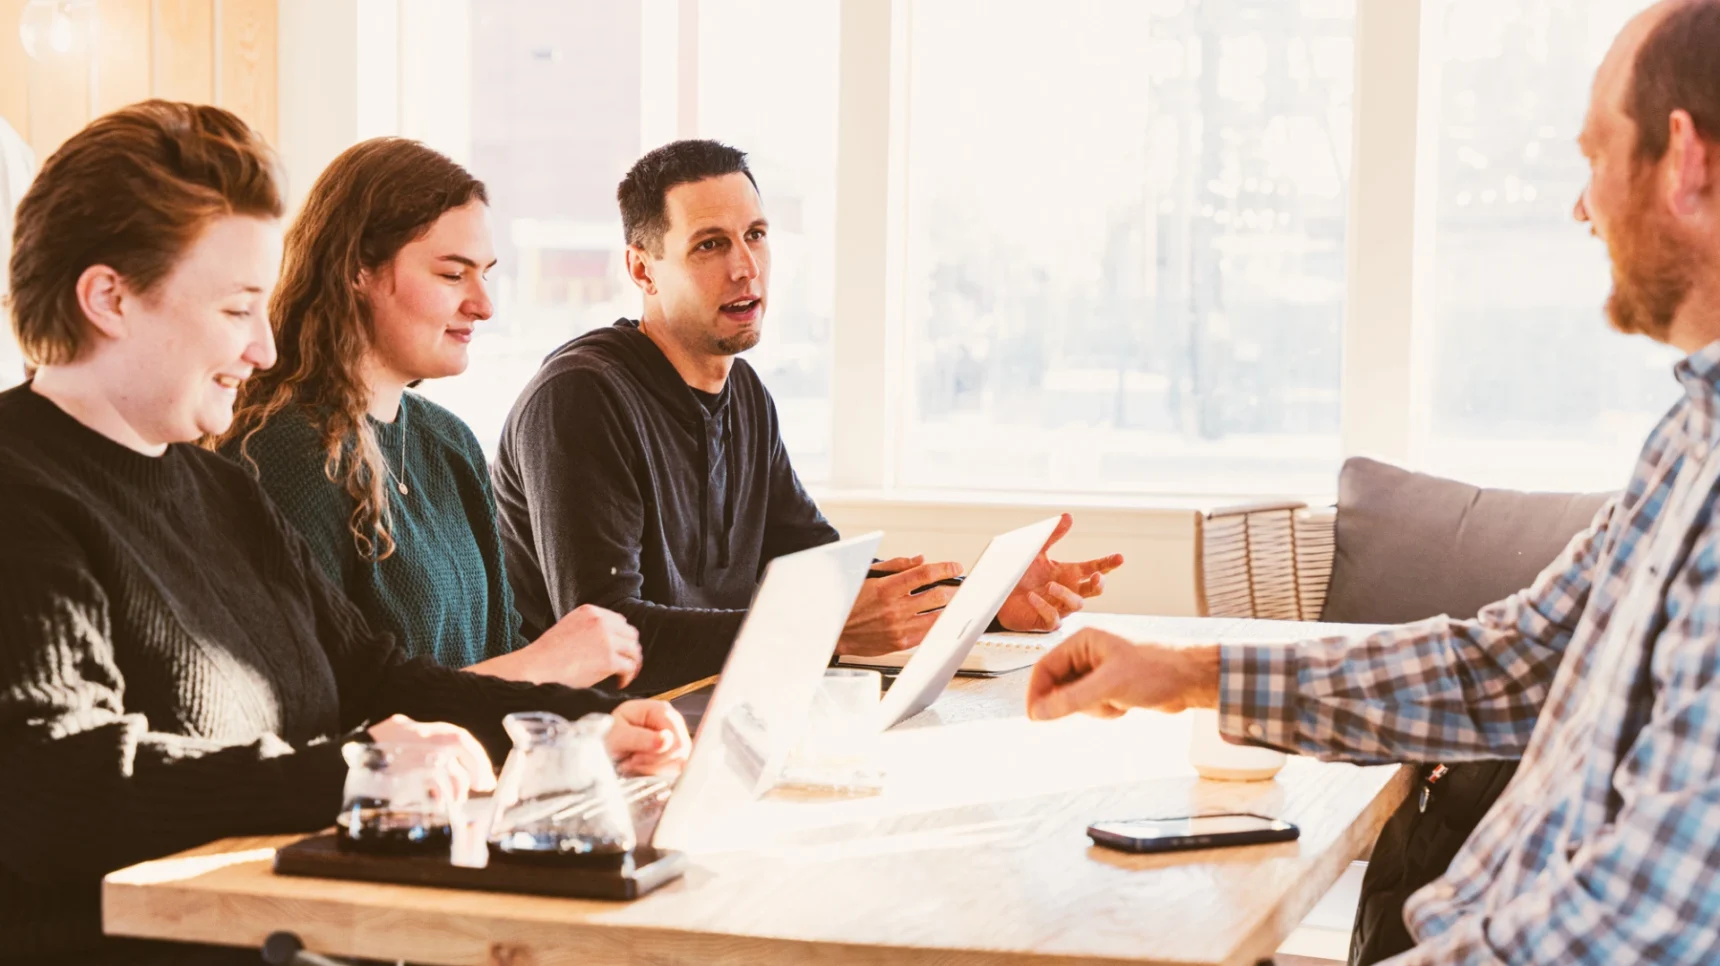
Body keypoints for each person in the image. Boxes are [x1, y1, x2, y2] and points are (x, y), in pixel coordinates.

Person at [1025, 3, 1720, 961]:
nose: (1581, 203)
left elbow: (1647, 923)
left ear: (1686, 159)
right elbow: (1507, 664)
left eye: (1598, 154)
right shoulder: (1690, 436)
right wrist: (1190, 675)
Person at [0, 101, 689, 966]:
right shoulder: (19, 493)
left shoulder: (218, 488)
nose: (262, 347)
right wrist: (359, 768)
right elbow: (57, 785)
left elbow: (374, 672)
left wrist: (580, 724)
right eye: (237, 309)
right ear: (108, 298)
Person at [492, 139, 1126, 695]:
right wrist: (822, 628)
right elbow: (609, 640)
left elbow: (822, 574)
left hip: (711, 720)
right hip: (591, 747)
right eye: (711, 245)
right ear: (642, 269)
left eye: (757, 235)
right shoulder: (581, 397)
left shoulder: (745, 395)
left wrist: (983, 600)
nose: (745, 267)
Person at [218, 138, 643, 690]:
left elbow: (504, 651)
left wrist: (611, 725)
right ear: (357, 270)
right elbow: (318, 711)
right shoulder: (282, 452)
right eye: (452, 275)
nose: (483, 304)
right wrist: (545, 664)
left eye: (485, 273)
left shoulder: (449, 441)